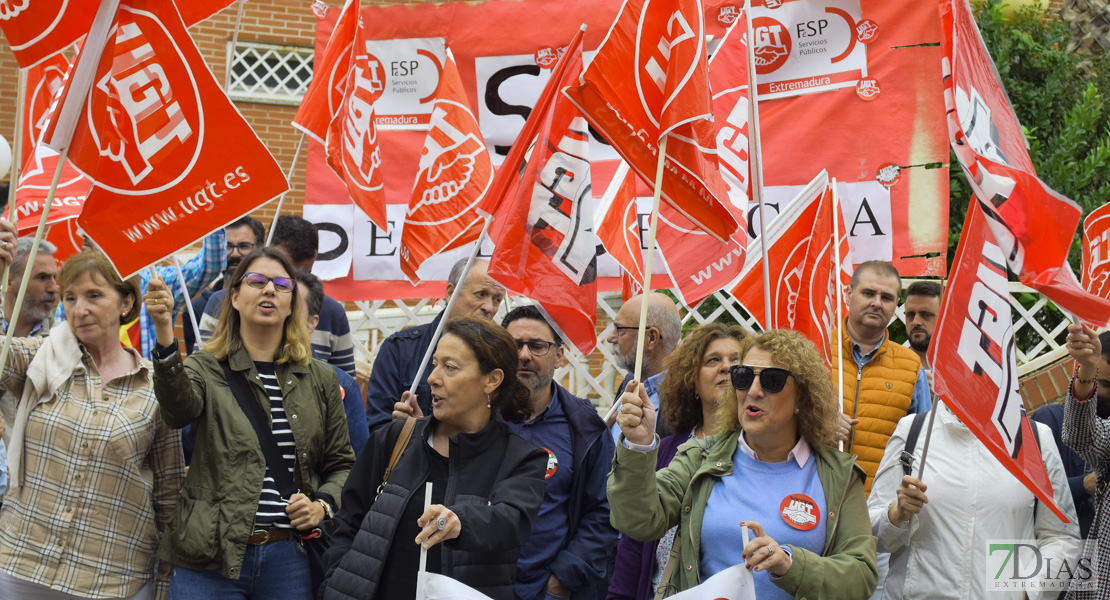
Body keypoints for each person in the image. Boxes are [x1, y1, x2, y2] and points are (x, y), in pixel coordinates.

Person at [146, 247, 355, 599]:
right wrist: (165, 330)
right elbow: (177, 411)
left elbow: (342, 465)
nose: (269, 289)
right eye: (256, 281)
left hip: (288, 557)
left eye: (281, 284)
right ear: (236, 297)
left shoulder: (320, 379)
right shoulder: (206, 367)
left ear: (292, 303)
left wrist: (321, 506)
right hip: (209, 557)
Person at [609, 329, 877, 599]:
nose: (754, 390)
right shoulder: (701, 457)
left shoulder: (838, 475)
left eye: (772, 380)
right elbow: (638, 519)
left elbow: (862, 577)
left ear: (802, 398)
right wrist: (639, 445)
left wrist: (790, 564)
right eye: (743, 376)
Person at [0, 247, 185, 600]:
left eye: (94, 295)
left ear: (126, 303)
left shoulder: (155, 387)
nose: (78, 309)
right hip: (20, 563)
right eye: (69, 298)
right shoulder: (42, 355)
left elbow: (169, 495)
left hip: (112, 578)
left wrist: (164, 584)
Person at [319, 317, 548, 600]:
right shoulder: (394, 439)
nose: (432, 378)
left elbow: (510, 520)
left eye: (450, 367)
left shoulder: (522, 459)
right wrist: (337, 578)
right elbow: (348, 521)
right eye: (435, 364)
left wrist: (458, 520)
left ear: (492, 380)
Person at [869, 404, 1080, 599]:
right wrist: (896, 515)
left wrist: (1028, 591)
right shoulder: (912, 430)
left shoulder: (1035, 438)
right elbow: (868, 531)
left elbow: (1063, 539)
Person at [607, 323, 746, 600]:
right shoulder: (664, 449)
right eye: (713, 360)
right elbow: (635, 539)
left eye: (737, 361)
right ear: (691, 381)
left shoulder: (761, 453)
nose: (726, 368)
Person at [490, 305, 618, 600]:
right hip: (479, 585)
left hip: (551, 590)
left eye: (537, 346)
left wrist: (563, 578)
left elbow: (604, 510)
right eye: (514, 346)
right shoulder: (475, 418)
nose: (523, 355)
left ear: (559, 356)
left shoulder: (585, 428)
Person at [198, 215, 356, 377]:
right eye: (284, 270)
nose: (294, 287)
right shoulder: (220, 302)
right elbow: (202, 375)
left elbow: (345, 387)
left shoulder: (333, 313)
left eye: (303, 274)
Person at [364, 257, 506, 432]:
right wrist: (407, 433)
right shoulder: (400, 349)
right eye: (481, 294)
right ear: (450, 293)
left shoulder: (500, 356)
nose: (489, 307)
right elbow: (377, 429)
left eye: (497, 299)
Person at [831, 260, 930, 494]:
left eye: (886, 297)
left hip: (875, 509)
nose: (876, 303)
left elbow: (925, 445)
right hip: (810, 500)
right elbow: (779, 421)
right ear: (848, 294)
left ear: (896, 304)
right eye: (868, 293)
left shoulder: (912, 368)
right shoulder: (815, 349)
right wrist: (816, 424)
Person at [63, 229, 226, 360]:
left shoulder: (153, 282)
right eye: (85, 240)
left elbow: (209, 266)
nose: (80, 311)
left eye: (95, 296)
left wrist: (209, 209)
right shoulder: (73, 294)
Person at [1031, 331, 1110, 538]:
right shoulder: (1049, 422)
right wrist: (1085, 484)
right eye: (1105, 384)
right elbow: (1030, 493)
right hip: (1056, 557)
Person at [296, 269, 369, 457]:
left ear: (312, 322)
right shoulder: (222, 375)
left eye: (293, 306)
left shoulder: (341, 385)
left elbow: (354, 465)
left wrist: (328, 487)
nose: (282, 312)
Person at [1063, 323, 1110, 599]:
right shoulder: (1047, 420)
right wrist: (1088, 371)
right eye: (1102, 383)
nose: (1102, 392)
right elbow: (1081, 436)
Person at [0, 237, 59, 444]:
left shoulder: (62, 338)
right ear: (9, 280)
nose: (53, 287)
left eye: (55, 277)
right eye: (42, 277)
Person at [605, 292, 682, 442]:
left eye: (620, 330)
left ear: (651, 338)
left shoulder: (686, 398)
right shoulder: (631, 381)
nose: (611, 338)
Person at [184, 216, 264, 353]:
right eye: (228, 246)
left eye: (244, 246)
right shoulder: (196, 310)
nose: (235, 254)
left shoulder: (270, 301)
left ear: (260, 248)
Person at [903, 280, 941, 386]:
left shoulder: (965, 372)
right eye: (910, 314)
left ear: (944, 318)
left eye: (926, 315)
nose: (916, 322)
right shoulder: (891, 369)